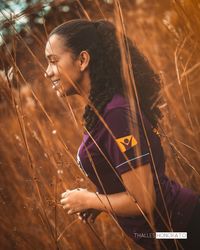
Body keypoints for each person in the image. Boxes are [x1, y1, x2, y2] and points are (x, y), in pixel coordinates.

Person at [44, 19, 200, 250]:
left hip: (184, 229)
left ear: (83, 59)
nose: (47, 72)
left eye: (53, 61)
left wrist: (89, 199)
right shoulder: (103, 110)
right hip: (167, 236)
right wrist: (102, 203)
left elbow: (144, 200)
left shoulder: (115, 114)